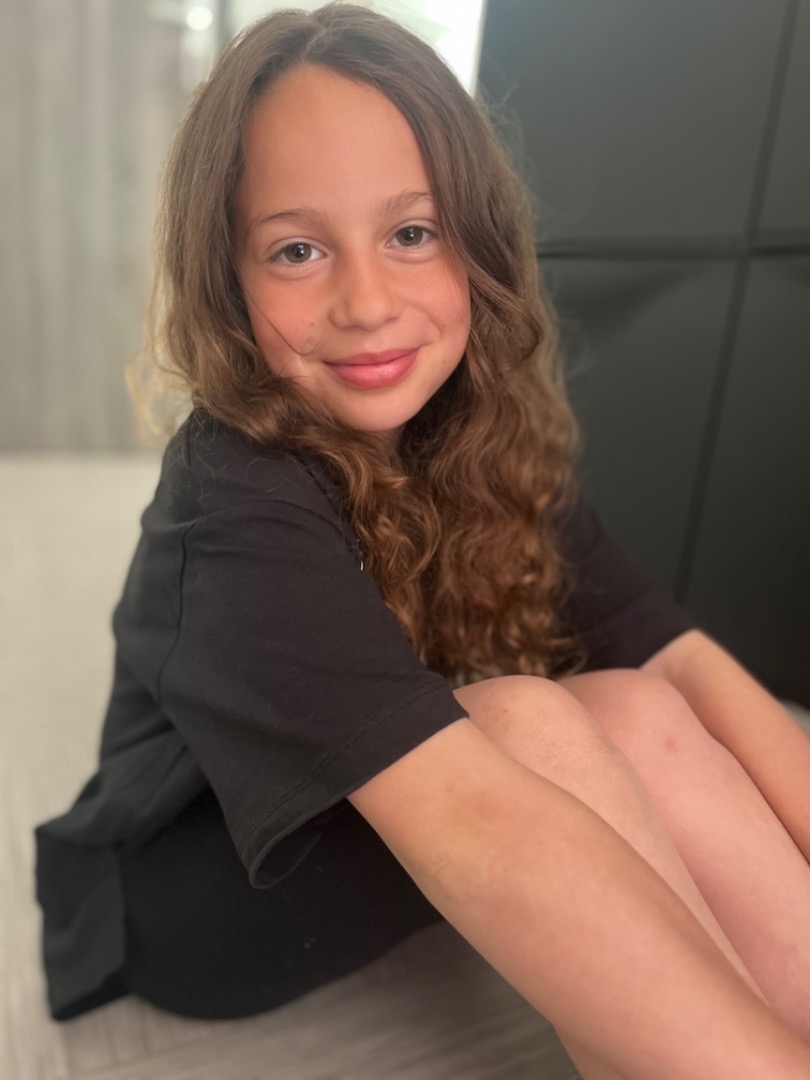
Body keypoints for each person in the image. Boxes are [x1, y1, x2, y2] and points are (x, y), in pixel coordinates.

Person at [35, 5, 810, 1077]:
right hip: (190, 890)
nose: (367, 302)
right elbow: (471, 818)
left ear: (475, 241)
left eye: (411, 233)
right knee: (530, 727)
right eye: (297, 250)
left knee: (637, 706)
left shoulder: (472, 432)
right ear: (230, 284)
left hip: (393, 784)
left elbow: (680, 660)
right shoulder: (232, 493)